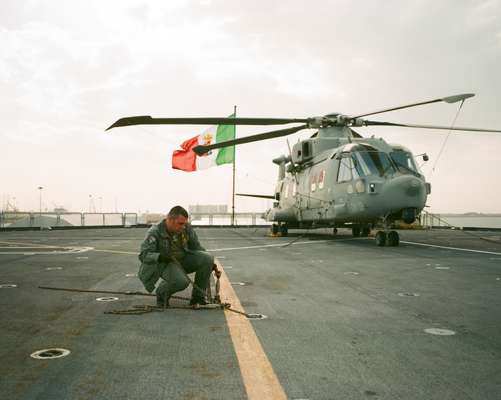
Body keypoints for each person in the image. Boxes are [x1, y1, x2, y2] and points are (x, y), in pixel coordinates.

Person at [138, 205, 213, 308]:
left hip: (183, 260)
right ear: (169, 220)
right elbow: (143, 255)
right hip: (165, 264)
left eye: (184, 224)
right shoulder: (155, 232)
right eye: (180, 224)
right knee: (182, 282)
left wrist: (210, 264)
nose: (183, 227)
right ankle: (161, 293)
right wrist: (160, 257)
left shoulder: (186, 228)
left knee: (207, 258)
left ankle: (198, 299)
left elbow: (196, 247)